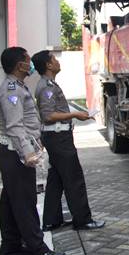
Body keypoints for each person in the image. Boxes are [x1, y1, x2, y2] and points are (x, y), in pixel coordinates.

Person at [0, 47, 66, 255]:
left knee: (11, 202)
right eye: (28, 60)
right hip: (14, 155)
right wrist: (28, 154)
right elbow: (15, 127)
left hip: (12, 153)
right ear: (20, 65)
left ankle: (11, 249)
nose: (31, 64)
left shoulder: (18, 87)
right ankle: (38, 249)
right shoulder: (12, 90)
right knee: (25, 204)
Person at [31, 50, 105, 232]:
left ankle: (51, 220)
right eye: (54, 59)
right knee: (74, 178)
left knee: (56, 179)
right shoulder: (47, 87)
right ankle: (83, 220)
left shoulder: (49, 84)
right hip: (58, 139)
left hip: (56, 138)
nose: (57, 61)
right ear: (48, 65)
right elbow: (48, 116)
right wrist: (74, 114)